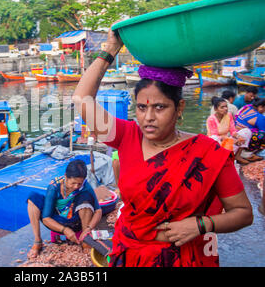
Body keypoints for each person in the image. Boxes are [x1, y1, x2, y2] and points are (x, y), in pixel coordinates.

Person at [72, 25, 253, 267]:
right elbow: (81, 99)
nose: (148, 117)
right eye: (141, 107)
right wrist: (111, 49)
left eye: (159, 107)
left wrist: (201, 224)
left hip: (182, 257)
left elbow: (243, 213)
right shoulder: (127, 135)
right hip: (130, 251)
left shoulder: (207, 152)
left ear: (179, 109)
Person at [26, 159, 102, 258]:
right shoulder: (54, 186)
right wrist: (65, 230)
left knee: (86, 199)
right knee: (33, 198)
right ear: (65, 176)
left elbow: (98, 211)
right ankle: (37, 241)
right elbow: (46, 218)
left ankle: (85, 241)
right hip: (57, 221)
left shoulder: (85, 187)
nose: (76, 186)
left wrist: (88, 229)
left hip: (77, 222)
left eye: (79, 183)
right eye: (73, 183)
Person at [206, 96, 251, 165]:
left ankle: (237, 156)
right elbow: (214, 135)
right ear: (216, 109)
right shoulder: (211, 119)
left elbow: (233, 131)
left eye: (226, 106)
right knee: (214, 138)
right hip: (217, 142)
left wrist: (238, 137)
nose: (226, 109)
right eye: (222, 107)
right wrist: (232, 140)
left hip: (227, 141)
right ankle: (221, 157)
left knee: (246, 131)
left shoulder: (229, 115)